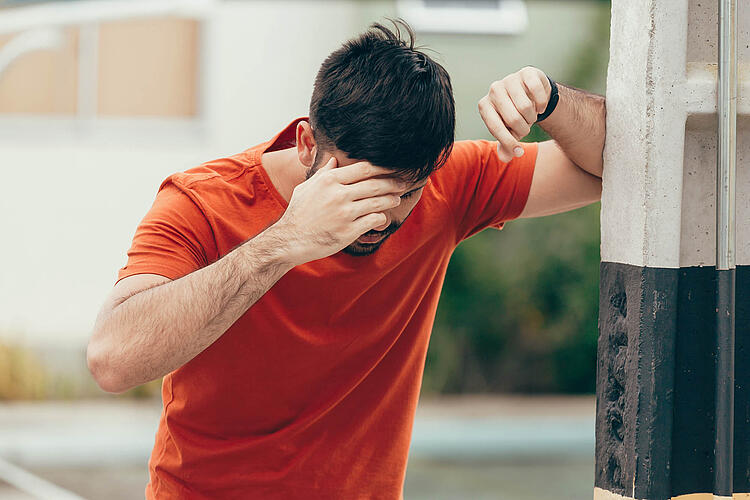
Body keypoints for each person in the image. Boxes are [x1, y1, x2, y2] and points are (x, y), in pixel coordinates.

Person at [87, 20, 604, 500]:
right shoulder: (202, 201)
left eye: (402, 195)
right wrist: (284, 242)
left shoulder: (448, 185)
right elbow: (112, 359)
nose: (378, 219)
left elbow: (626, 164)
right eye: (359, 191)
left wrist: (551, 100)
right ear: (308, 144)